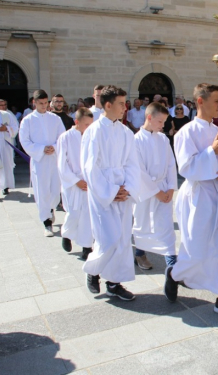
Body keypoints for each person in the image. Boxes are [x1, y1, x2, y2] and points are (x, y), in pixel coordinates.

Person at [163, 83, 218, 319]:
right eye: (215, 102)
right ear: (200, 101)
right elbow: (187, 167)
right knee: (197, 250)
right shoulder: (186, 133)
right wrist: (211, 153)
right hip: (198, 196)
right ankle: (174, 274)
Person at [81, 85, 141, 301]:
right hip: (103, 194)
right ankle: (93, 269)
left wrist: (128, 188)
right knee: (108, 238)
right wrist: (110, 190)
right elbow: (90, 167)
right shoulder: (94, 131)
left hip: (123, 193)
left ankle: (114, 283)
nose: (125, 108)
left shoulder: (125, 132)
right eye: (121, 103)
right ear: (108, 105)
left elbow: (133, 164)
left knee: (123, 239)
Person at [133, 102, 178, 270]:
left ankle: (172, 263)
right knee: (143, 223)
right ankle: (140, 254)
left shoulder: (163, 139)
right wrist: (155, 191)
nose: (163, 125)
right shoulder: (136, 140)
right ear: (149, 117)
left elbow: (170, 164)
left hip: (164, 187)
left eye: (165, 122)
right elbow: (139, 170)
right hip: (145, 191)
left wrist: (171, 187)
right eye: (160, 121)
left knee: (166, 225)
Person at [20, 90, 65, 236]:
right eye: (41, 103)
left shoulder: (55, 119)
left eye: (46, 103)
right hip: (39, 161)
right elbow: (25, 141)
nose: (44, 106)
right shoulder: (28, 120)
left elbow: (62, 137)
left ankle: (50, 209)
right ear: (34, 102)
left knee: (54, 189)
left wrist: (55, 147)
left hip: (54, 158)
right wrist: (40, 149)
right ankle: (46, 221)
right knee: (42, 190)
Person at [57, 108, 94, 260]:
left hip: (88, 182)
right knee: (73, 213)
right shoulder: (65, 137)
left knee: (88, 215)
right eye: (86, 124)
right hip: (72, 183)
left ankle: (87, 246)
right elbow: (61, 164)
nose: (89, 128)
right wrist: (75, 180)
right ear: (76, 122)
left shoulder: (91, 137)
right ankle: (66, 234)